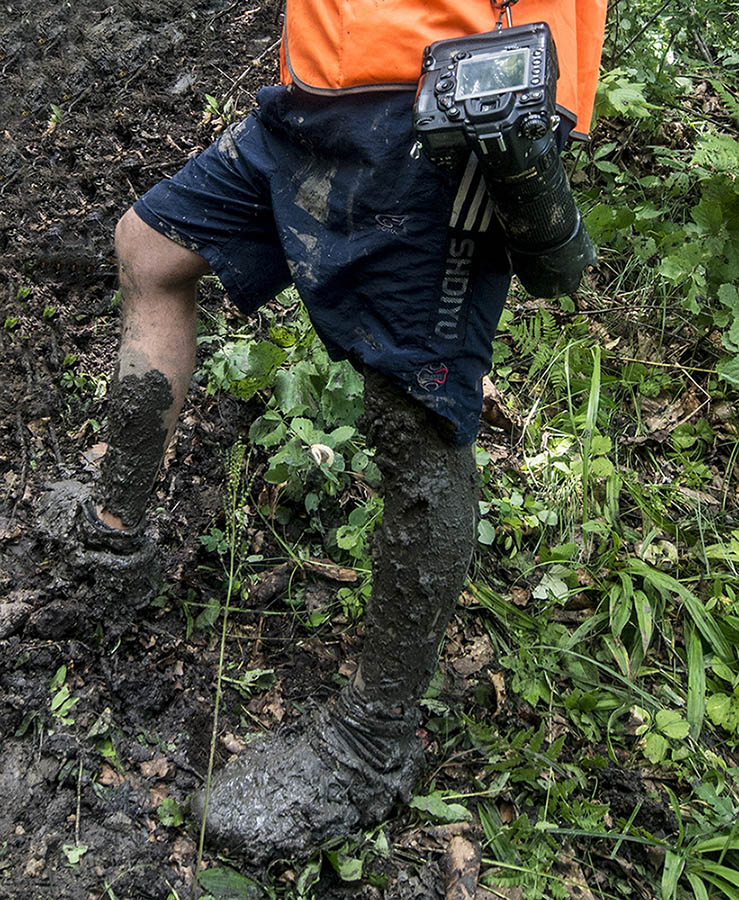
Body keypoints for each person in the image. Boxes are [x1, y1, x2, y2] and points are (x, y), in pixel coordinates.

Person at [64, 0, 607, 863]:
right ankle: (116, 544)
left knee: (414, 413)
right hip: (312, 99)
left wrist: (530, 126)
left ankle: (372, 741)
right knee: (151, 246)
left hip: (437, 112)